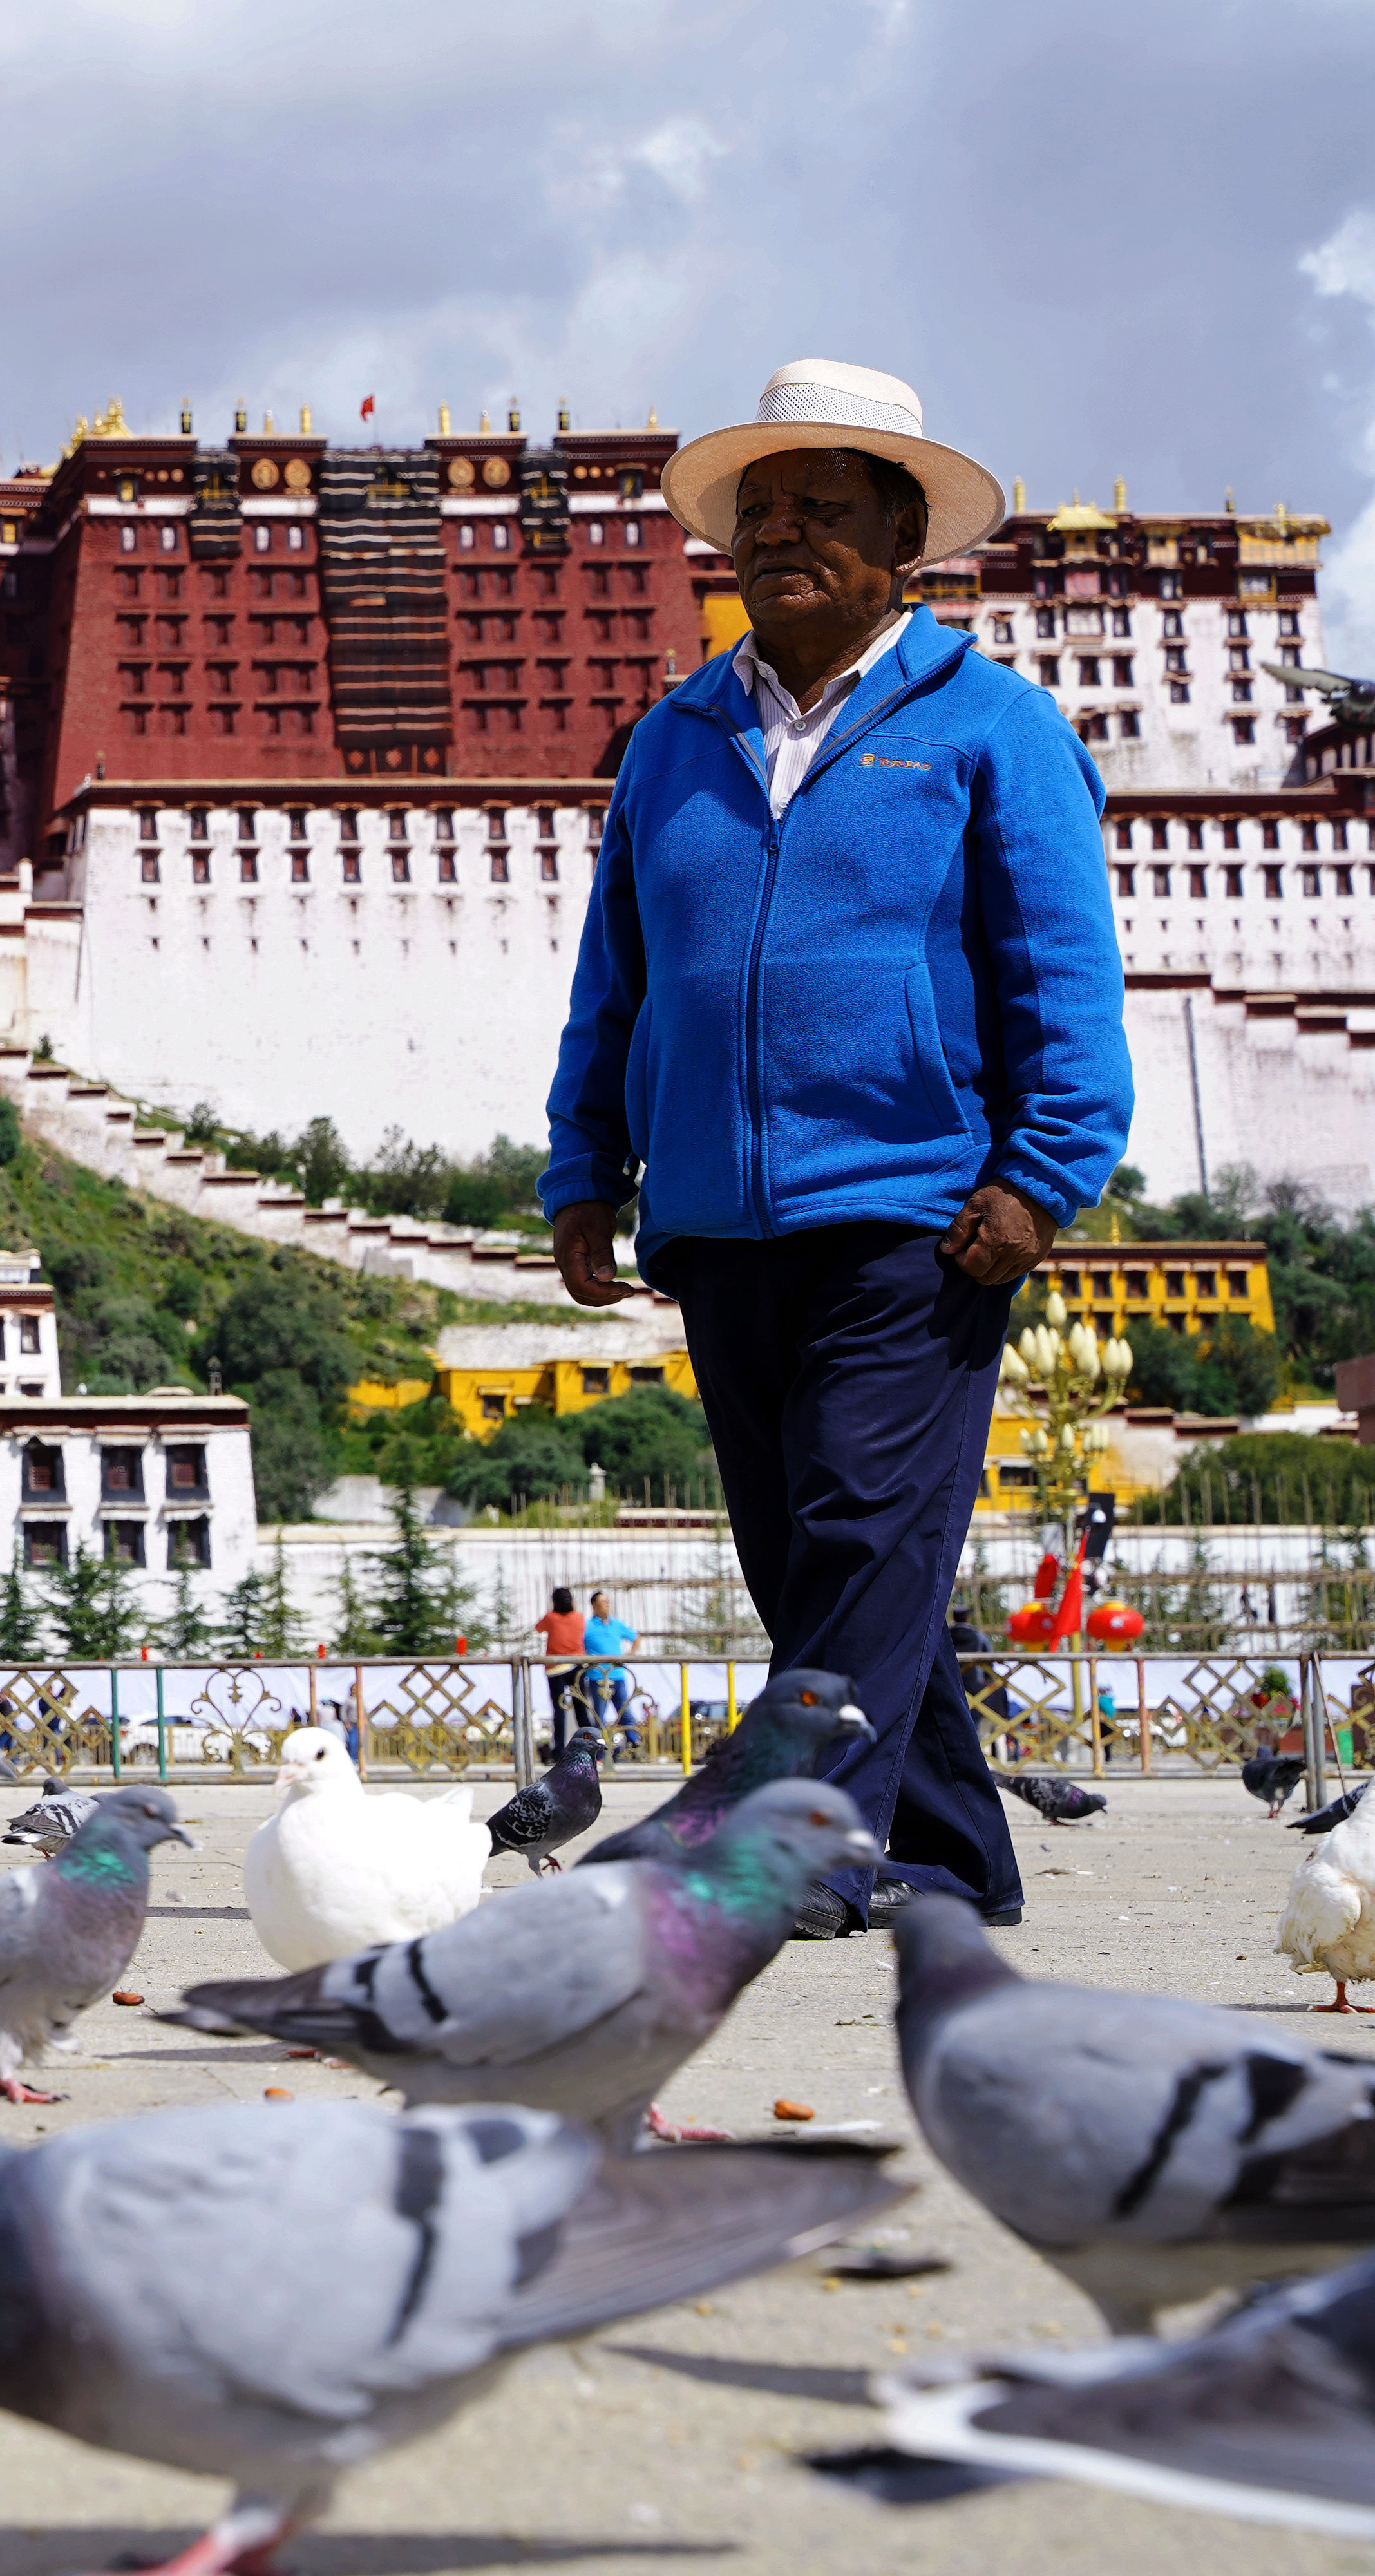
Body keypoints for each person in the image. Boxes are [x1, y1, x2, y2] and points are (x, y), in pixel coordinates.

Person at [543, 359, 1131, 1940]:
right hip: (719, 1216)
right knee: (812, 1552)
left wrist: (1045, 1171)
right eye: (760, 513)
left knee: (865, 1527)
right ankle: (948, 1852)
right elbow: (621, 973)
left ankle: (789, 1845)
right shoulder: (669, 740)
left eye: (824, 508)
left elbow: (1061, 969)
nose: (783, 535)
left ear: (904, 540)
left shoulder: (992, 727)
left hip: (915, 1209)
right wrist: (582, 1164)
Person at [532, 1586, 588, 1756]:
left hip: (556, 1667)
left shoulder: (551, 1617)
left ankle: (558, 1750)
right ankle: (592, 1746)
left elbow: (538, 1628)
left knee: (559, 1709)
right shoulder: (579, 1618)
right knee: (582, 1709)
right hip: (577, 1665)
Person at [580, 1589, 640, 1739]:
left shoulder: (617, 1624)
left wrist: (629, 1656)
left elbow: (636, 1638)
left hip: (618, 1675)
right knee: (599, 1717)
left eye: (607, 1602)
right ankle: (600, 1751)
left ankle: (634, 1744)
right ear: (594, 1605)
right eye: (602, 1603)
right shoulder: (587, 1626)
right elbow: (577, 1643)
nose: (606, 1605)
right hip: (598, 1676)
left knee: (624, 1712)